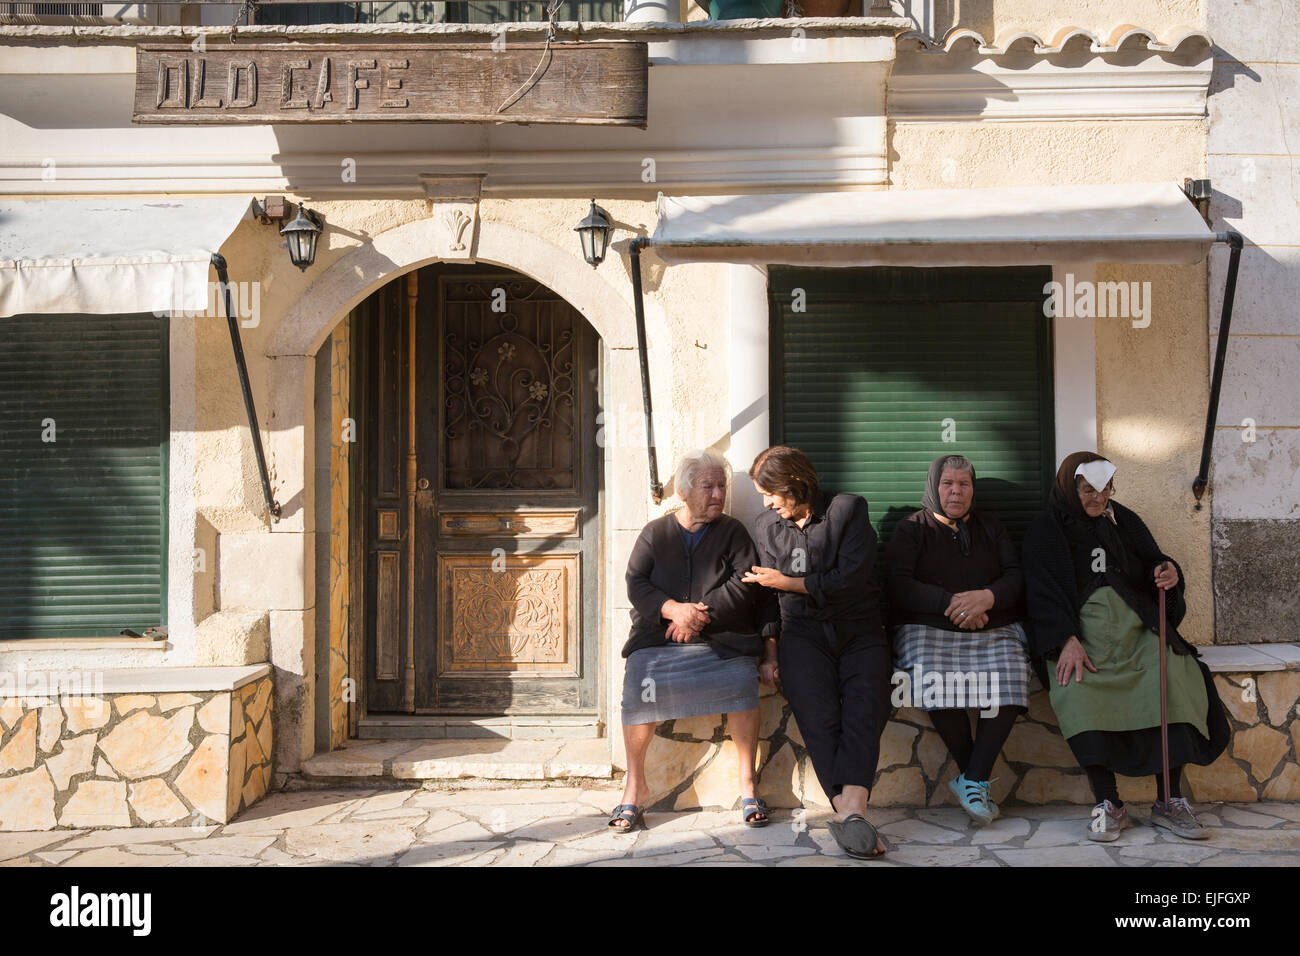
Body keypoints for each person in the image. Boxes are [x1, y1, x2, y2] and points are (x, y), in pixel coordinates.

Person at [1022, 451, 1230, 842]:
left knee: (1171, 673)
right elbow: (1041, 592)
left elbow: (1154, 562)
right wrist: (1064, 640)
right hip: (1081, 637)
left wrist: (1168, 572)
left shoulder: (1123, 520)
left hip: (1137, 631)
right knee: (1077, 689)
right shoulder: (1046, 530)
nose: (1097, 499)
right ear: (1070, 488)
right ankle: (1108, 803)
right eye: (1087, 490)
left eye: (1104, 490)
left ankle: (1169, 801)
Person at [612, 449, 777, 833]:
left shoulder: (733, 531)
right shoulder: (656, 532)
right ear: (684, 492)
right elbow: (636, 583)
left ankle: (747, 786)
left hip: (721, 640)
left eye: (721, 485)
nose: (718, 493)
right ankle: (635, 788)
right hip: (658, 638)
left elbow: (746, 583)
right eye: (708, 486)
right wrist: (672, 609)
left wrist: (698, 617)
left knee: (741, 679)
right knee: (639, 683)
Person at [743, 445, 891, 859]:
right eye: (761, 497)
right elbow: (765, 601)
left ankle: (850, 814)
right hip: (801, 634)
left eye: (770, 493)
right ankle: (853, 816)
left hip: (859, 629)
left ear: (793, 483)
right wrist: (770, 653)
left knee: (866, 708)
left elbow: (851, 580)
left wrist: (787, 582)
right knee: (818, 717)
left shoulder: (848, 510)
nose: (767, 503)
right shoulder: (765, 526)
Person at [884, 455, 1033, 825]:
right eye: (948, 484)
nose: (956, 492)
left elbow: (1015, 576)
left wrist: (987, 598)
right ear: (934, 486)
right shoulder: (911, 529)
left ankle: (973, 778)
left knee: (1012, 674)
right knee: (933, 676)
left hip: (991, 625)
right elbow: (898, 585)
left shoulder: (991, 527)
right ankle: (976, 778)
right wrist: (951, 604)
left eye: (964, 484)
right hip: (928, 628)